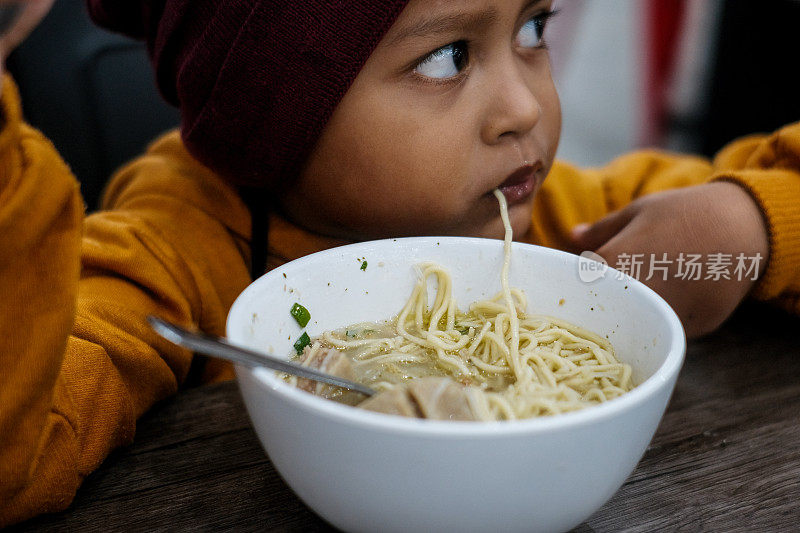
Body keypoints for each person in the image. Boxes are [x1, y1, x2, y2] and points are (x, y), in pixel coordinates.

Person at [1, 0, 798, 525]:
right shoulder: (174, 253)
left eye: (533, 28)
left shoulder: (561, 222)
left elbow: (756, 208)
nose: (525, 107)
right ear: (272, 120)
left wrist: (747, 225)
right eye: (449, 57)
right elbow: (26, 445)